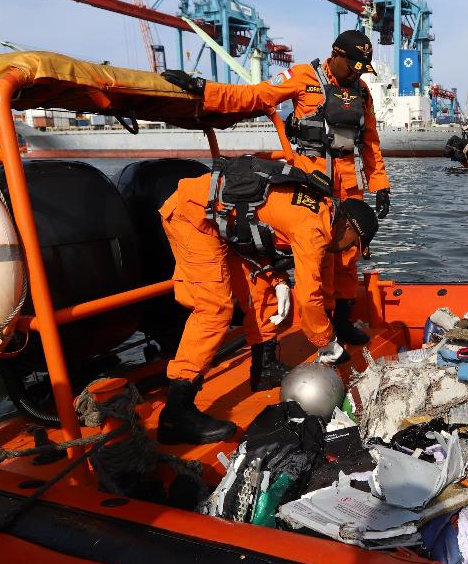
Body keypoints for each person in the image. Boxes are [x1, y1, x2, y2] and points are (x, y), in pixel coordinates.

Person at [162, 29, 391, 347]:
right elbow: (255, 95)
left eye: (361, 70)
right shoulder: (301, 77)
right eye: (352, 66)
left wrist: (380, 184)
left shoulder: (362, 92)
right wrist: (205, 91)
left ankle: (343, 318)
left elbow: (370, 142)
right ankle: (322, 321)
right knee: (318, 256)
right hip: (313, 182)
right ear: (335, 55)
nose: (355, 75)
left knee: (349, 255)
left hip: (349, 184)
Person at [157, 156, 379, 444]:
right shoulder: (314, 228)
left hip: (221, 216)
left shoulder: (320, 209)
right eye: (352, 245)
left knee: (262, 283)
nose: (346, 251)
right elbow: (310, 297)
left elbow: (257, 231)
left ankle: (264, 369)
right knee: (214, 308)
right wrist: (327, 341)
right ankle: (176, 413)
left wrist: (276, 278)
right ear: (348, 228)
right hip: (193, 217)